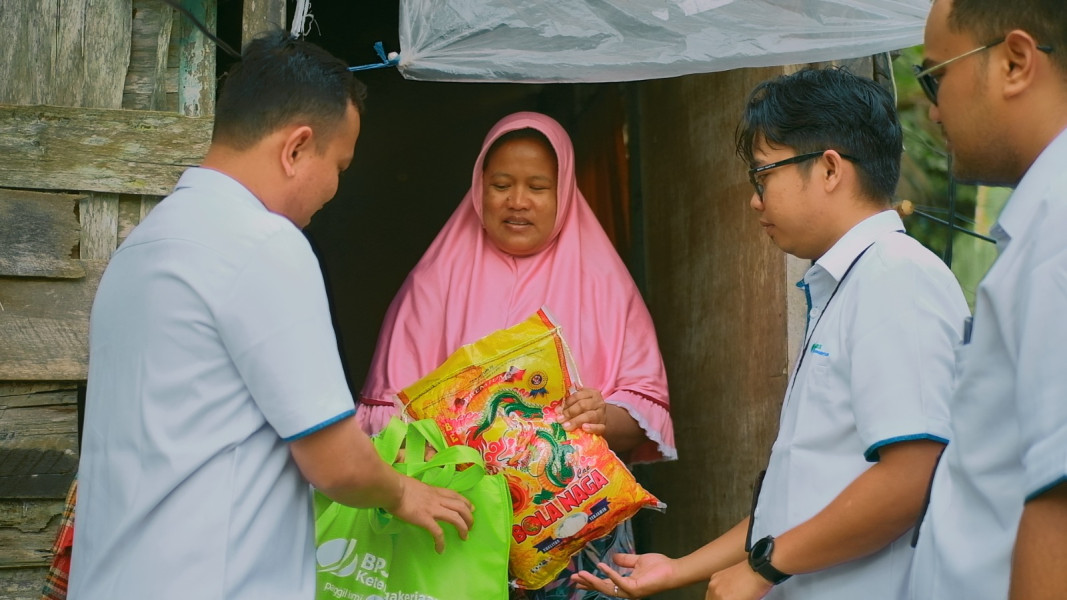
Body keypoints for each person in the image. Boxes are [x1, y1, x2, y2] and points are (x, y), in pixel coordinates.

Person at [68, 33, 473, 600]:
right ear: (296, 148)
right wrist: (404, 493)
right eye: (339, 165)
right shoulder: (262, 244)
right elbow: (335, 462)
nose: (334, 188)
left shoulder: (142, 248)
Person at [572, 68, 970, 600]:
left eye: (764, 176)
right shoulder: (844, 284)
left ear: (829, 168)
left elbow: (908, 479)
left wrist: (763, 571)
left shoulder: (895, 276)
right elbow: (795, 501)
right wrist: (678, 569)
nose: (756, 200)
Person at [354, 111, 676, 599]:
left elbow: (644, 411)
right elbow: (386, 421)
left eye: (538, 187)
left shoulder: (605, 283)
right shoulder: (434, 282)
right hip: (454, 521)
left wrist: (600, 415)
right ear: (478, 188)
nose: (518, 202)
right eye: (502, 184)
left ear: (564, 191)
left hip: (576, 527)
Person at [908, 2, 1067, 599]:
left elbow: (1060, 505)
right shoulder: (1040, 223)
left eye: (935, 75)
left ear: (1016, 62)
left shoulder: (1059, 232)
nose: (932, 107)